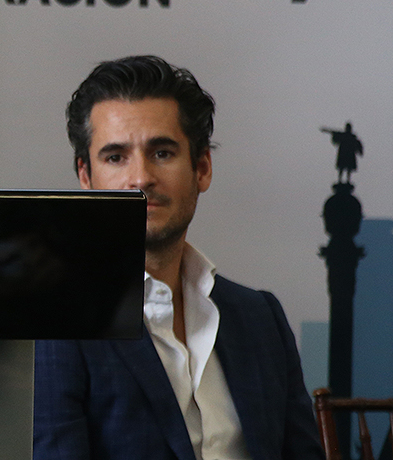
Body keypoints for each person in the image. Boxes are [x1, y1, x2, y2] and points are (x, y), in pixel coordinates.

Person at [34, 55, 322, 460]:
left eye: (162, 153)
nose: (141, 177)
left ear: (201, 168)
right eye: (115, 157)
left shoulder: (261, 318)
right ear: (86, 178)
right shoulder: (55, 322)